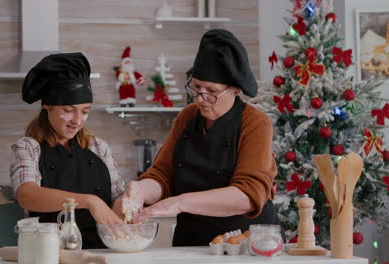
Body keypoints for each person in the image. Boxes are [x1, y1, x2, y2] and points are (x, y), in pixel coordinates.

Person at [117, 29, 284, 246]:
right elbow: (163, 175)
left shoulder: (254, 122)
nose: (201, 98)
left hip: (245, 243)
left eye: (212, 91)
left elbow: (247, 195)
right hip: (192, 240)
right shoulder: (187, 116)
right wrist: (141, 191)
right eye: (196, 87)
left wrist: (179, 203)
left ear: (235, 90)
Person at [10, 52, 125, 249]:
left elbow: (118, 196)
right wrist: (90, 201)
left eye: (85, 111)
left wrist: (126, 205)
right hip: (50, 253)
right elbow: (26, 195)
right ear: (47, 106)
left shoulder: (98, 147)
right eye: (68, 110)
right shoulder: (29, 147)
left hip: (102, 251)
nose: (77, 120)